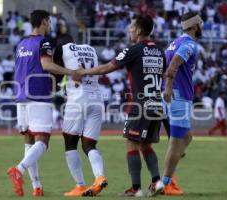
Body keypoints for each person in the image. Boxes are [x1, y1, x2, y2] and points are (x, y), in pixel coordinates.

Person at [74, 15, 165, 197]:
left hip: (140, 104)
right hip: (156, 102)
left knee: (132, 143)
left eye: (132, 27)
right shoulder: (160, 51)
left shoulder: (134, 49)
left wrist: (83, 72)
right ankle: (157, 181)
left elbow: (107, 67)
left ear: (139, 30)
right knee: (145, 144)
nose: (130, 30)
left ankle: (136, 188)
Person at [7, 10, 75, 197]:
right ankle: (19, 170)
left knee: (29, 139)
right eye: (49, 21)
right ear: (44, 22)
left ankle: (37, 186)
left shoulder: (21, 44)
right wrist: (70, 72)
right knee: (43, 141)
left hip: (21, 95)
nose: (50, 25)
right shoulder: (44, 42)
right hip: (38, 94)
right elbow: (46, 65)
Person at [155, 12, 204, 195]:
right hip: (178, 96)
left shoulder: (174, 42)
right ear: (194, 26)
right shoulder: (189, 44)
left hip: (171, 94)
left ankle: (170, 165)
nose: (202, 27)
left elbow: (166, 66)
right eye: (201, 24)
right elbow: (173, 65)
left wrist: (166, 88)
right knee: (176, 142)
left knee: (187, 137)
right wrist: (168, 88)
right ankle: (164, 183)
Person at [53, 34, 108, 197]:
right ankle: (99, 177)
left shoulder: (61, 49)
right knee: (89, 144)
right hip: (97, 99)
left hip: (78, 99)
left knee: (70, 142)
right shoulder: (90, 49)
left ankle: (79, 185)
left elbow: (56, 72)